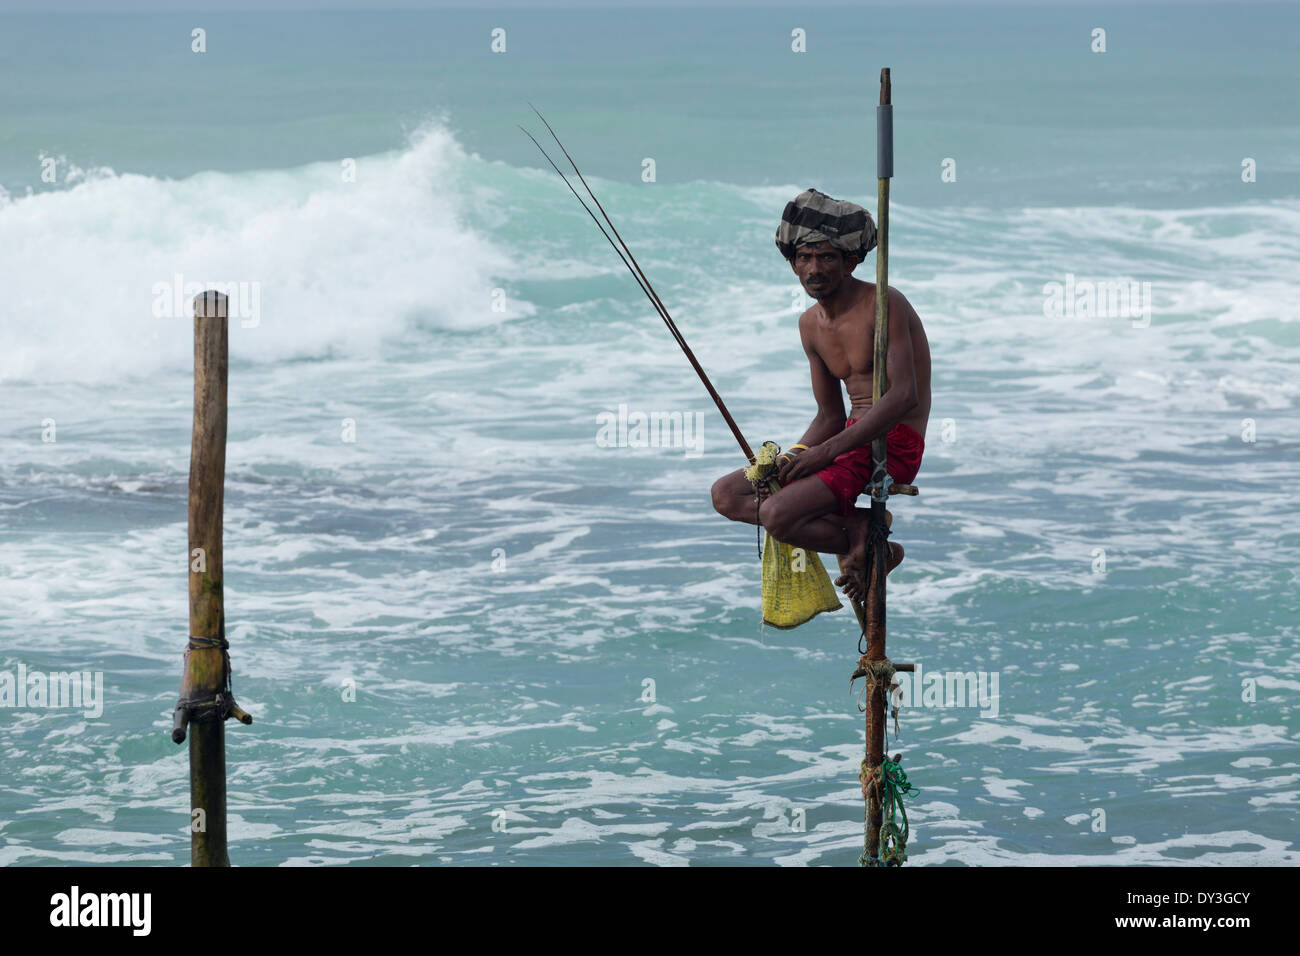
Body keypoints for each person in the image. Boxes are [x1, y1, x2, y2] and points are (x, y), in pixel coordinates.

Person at [711, 188, 932, 604]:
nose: (814, 268)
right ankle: (864, 530)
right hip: (846, 442)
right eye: (804, 258)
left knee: (777, 515)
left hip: (892, 443)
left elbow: (903, 396)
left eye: (827, 257)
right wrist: (795, 454)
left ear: (851, 261)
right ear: (792, 263)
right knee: (728, 494)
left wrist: (825, 454)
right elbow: (830, 415)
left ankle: (865, 535)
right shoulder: (809, 324)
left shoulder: (884, 304)